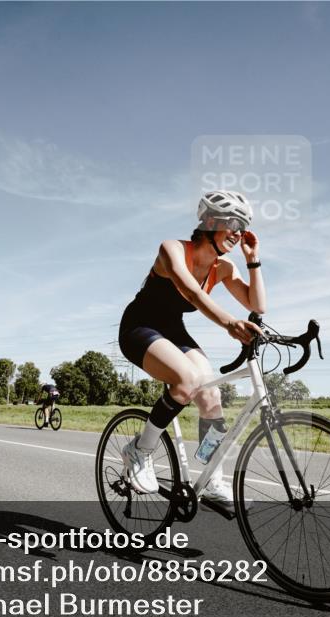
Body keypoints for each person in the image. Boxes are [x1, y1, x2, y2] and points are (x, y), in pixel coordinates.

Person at [118, 190, 265, 510]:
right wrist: (229, 323)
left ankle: (212, 480)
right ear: (209, 222)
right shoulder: (171, 249)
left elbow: (257, 305)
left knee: (210, 394)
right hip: (139, 327)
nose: (238, 233)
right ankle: (140, 450)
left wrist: (252, 259)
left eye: (243, 227)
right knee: (186, 380)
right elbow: (192, 294)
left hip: (173, 330)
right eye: (233, 223)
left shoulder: (223, 267)